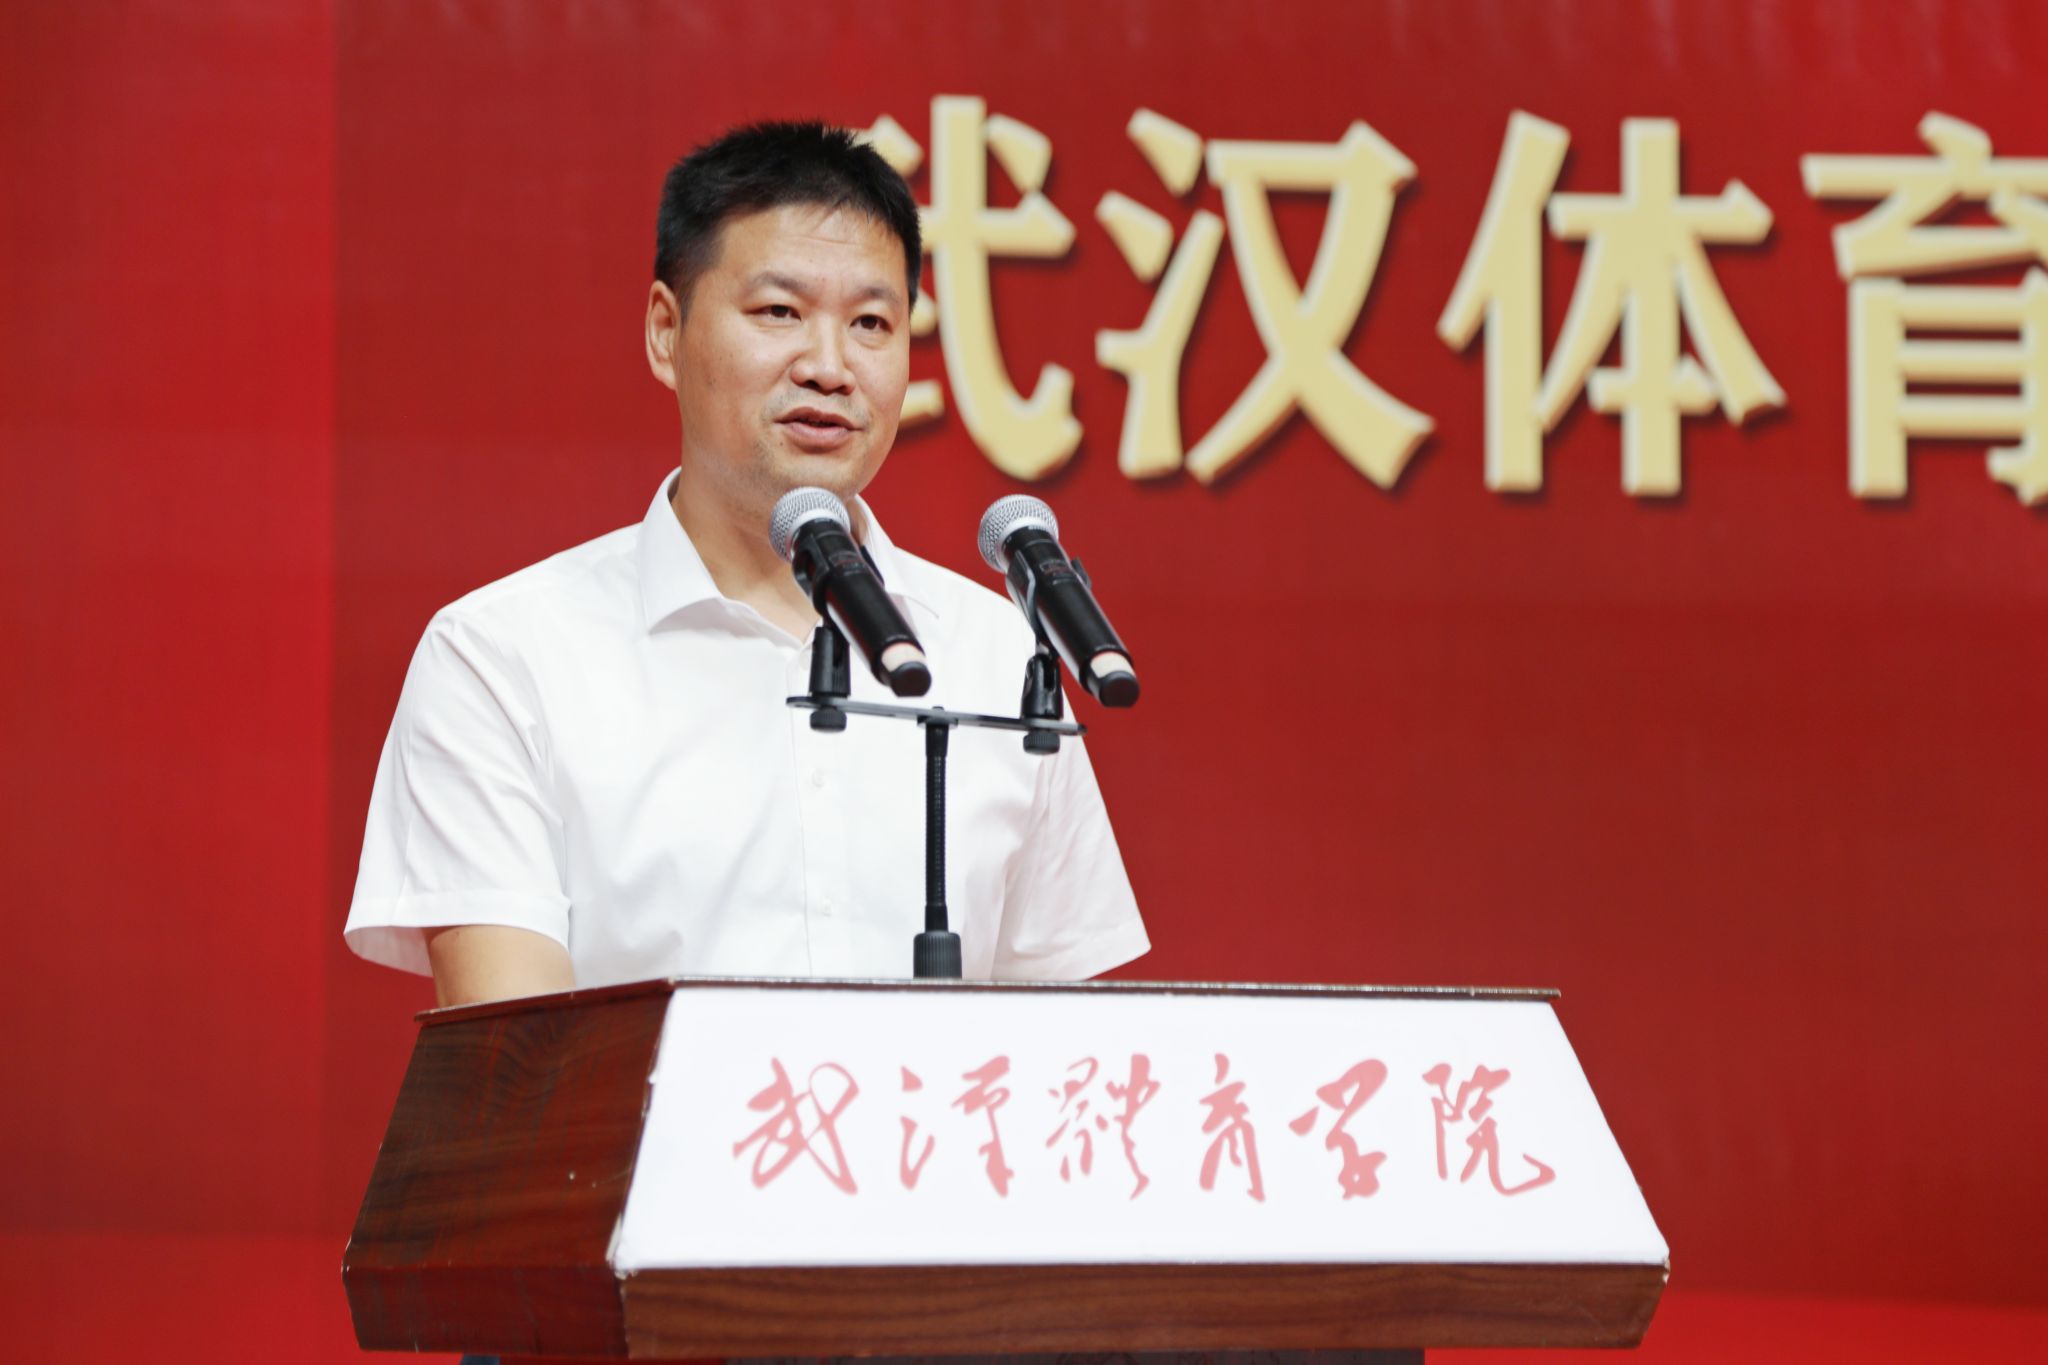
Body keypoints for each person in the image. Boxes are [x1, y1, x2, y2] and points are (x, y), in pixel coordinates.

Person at [343, 122, 1149, 1007]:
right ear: (666, 331)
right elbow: (515, 1058)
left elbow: (1068, 1050)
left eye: (872, 324)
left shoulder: (997, 654)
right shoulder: (505, 658)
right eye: (779, 313)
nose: (831, 368)